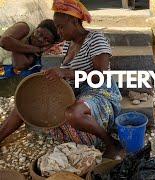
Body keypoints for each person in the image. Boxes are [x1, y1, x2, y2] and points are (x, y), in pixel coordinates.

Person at [0, 0, 122, 158]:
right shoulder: (68, 45)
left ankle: (111, 144)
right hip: (76, 92)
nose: (58, 31)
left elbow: (101, 76)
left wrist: (68, 73)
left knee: (73, 114)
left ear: (74, 21)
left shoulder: (95, 39)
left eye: (61, 26)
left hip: (100, 93)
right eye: (57, 27)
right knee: (27, 102)